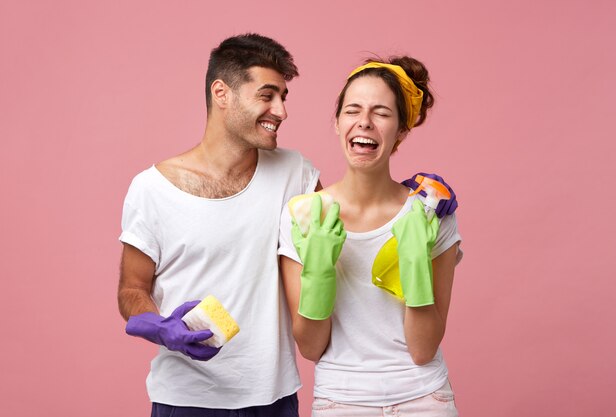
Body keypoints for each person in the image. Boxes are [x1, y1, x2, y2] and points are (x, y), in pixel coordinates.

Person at [118, 33, 458, 416]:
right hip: (186, 395)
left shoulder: (294, 174)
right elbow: (131, 290)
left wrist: (420, 199)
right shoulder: (152, 188)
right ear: (222, 93)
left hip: (274, 397)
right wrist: (161, 326)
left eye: (283, 97)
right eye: (267, 96)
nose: (280, 111)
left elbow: (354, 204)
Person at [279, 56, 463, 416]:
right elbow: (311, 348)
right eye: (352, 110)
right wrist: (319, 268)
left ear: (401, 131)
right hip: (340, 401)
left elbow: (423, 349)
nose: (364, 121)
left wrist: (413, 262)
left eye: (381, 112)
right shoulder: (302, 217)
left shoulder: (430, 214)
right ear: (336, 122)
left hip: (425, 399)